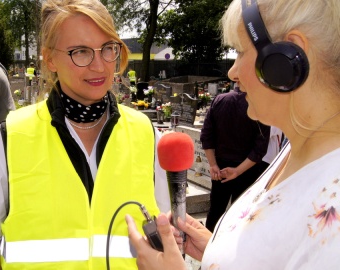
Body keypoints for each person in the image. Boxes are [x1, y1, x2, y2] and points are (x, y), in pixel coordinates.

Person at [0, 0, 171, 268]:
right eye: (80, 51)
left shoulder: (147, 136)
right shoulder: (10, 139)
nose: (99, 65)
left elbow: (165, 233)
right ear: (50, 58)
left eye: (108, 49)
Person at [126, 0, 340, 269]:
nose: (232, 72)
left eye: (240, 52)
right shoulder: (297, 149)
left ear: (286, 58)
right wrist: (218, 249)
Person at [200, 86, 269, 231]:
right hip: (247, 168)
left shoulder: (220, 100)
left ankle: (207, 244)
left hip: (220, 166)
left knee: (216, 209)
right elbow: (260, 148)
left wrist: (213, 164)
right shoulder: (259, 104)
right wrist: (237, 171)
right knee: (242, 212)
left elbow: (206, 135)